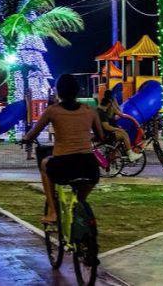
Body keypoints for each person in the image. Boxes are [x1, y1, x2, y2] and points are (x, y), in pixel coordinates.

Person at [23, 74, 105, 225]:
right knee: (82, 194)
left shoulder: (52, 111)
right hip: (89, 166)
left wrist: (25, 138)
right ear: (77, 91)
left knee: (45, 164)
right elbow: (101, 136)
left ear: (58, 91)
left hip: (63, 165)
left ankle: (52, 212)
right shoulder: (90, 111)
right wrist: (87, 137)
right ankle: (79, 205)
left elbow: (33, 133)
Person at [97, 90, 142, 161]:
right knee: (124, 134)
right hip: (107, 134)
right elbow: (107, 126)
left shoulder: (101, 109)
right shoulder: (104, 111)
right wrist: (118, 129)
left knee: (121, 133)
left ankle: (115, 156)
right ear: (109, 103)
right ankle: (130, 154)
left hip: (105, 132)